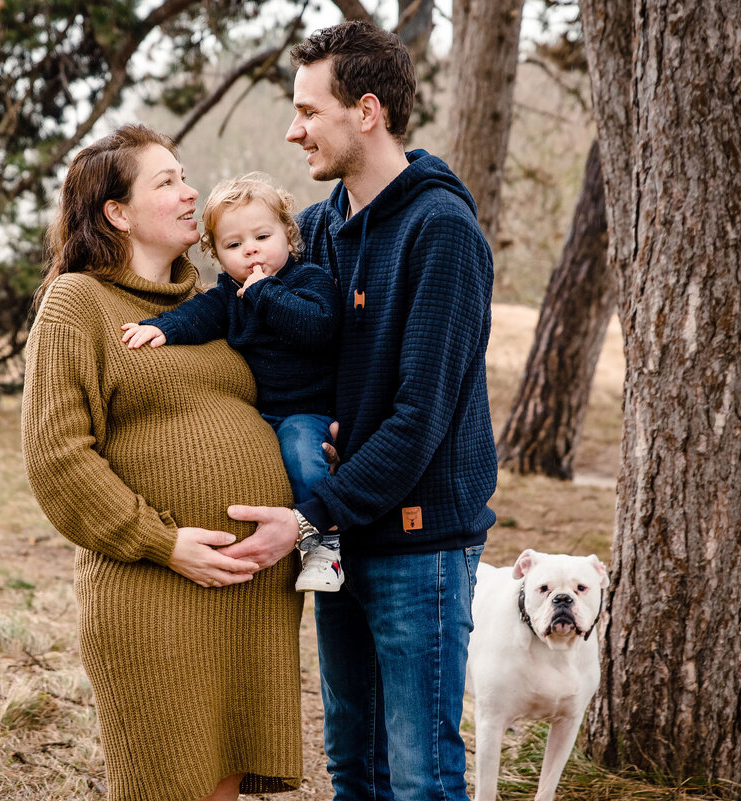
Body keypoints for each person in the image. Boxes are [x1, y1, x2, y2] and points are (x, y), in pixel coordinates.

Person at [218, 21, 497, 801]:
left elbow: (419, 416)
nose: (292, 128)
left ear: (366, 111)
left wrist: (307, 518)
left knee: (419, 781)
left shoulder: (441, 231)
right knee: (355, 772)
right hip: (341, 546)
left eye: (309, 110)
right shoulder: (316, 231)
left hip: (418, 547)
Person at [21, 125, 303, 801]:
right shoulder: (78, 302)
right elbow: (56, 457)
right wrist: (163, 541)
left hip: (250, 595)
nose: (190, 191)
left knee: (220, 786)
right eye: (167, 181)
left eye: (185, 176)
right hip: (155, 591)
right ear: (118, 213)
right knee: (164, 783)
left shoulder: (211, 303)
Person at [120, 174, 344, 592]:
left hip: (307, 411)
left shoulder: (308, 280)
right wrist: (162, 328)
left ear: (288, 235)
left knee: (300, 452)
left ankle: (324, 547)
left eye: (262, 236)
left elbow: (317, 328)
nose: (251, 250)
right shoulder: (228, 293)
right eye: (234, 245)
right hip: (262, 413)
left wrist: (264, 292)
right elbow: (199, 315)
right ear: (218, 255)